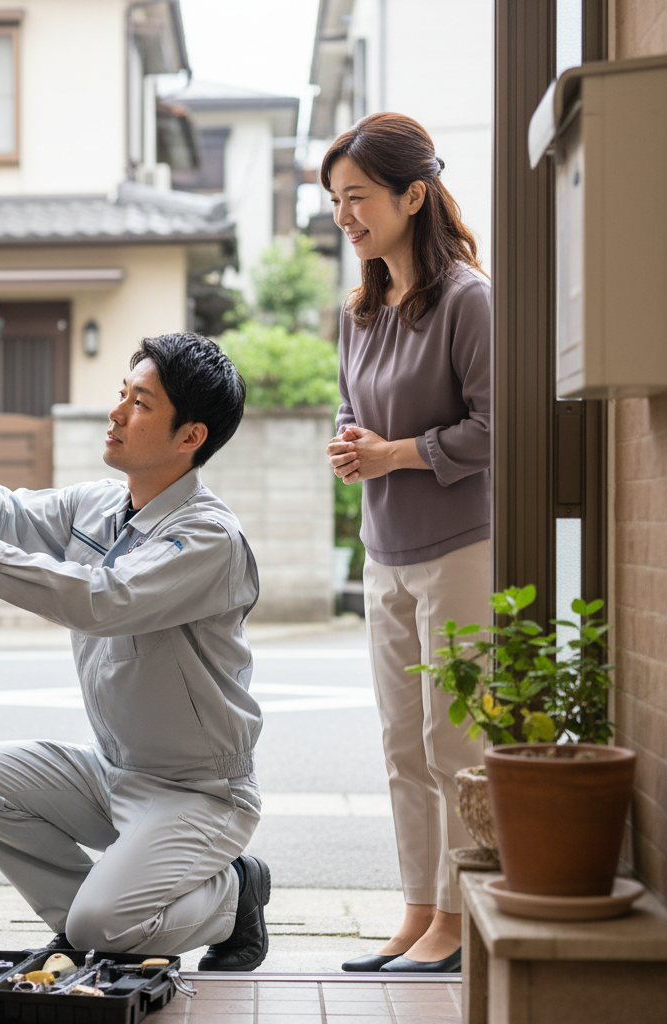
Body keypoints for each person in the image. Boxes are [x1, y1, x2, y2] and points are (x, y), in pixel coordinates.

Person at [0, 332, 271, 970]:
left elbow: (103, 600)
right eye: (123, 394)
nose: (115, 413)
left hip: (199, 793)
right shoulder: (99, 503)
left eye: (140, 404)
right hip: (112, 771)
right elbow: (9, 513)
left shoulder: (208, 538)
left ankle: (233, 893)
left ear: (190, 437)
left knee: (104, 926)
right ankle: (89, 926)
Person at [323, 113, 491, 975]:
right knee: (401, 745)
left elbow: (496, 427)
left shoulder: (468, 298)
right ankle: (420, 910)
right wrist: (352, 442)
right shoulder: (358, 311)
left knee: (454, 742)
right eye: (335, 201)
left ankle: (462, 918)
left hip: (462, 548)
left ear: (413, 195)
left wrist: (395, 454)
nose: (344, 216)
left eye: (358, 197)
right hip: (384, 550)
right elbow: (350, 407)